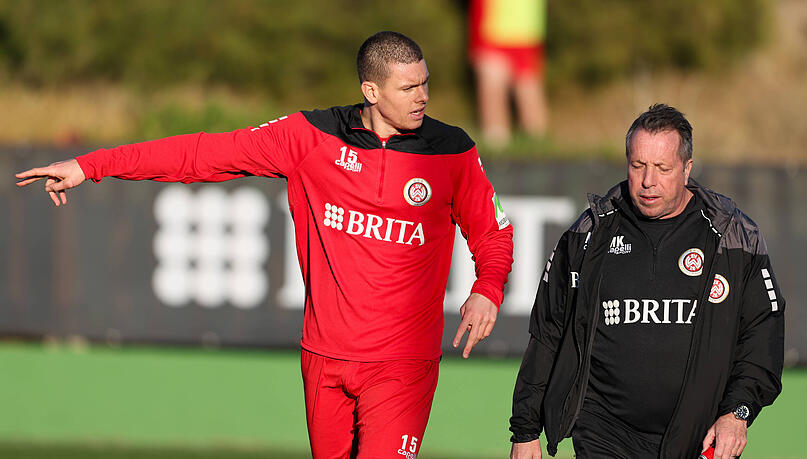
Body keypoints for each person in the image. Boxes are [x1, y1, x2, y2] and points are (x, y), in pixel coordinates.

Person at [16, 31, 514, 459]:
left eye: (425, 83)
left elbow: (493, 230)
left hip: (402, 363)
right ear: (371, 89)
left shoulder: (451, 150)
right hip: (324, 357)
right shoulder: (311, 137)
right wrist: (91, 165)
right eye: (408, 87)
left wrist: (487, 288)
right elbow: (202, 154)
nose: (422, 96)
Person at [508, 104, 784, 458]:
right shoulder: (589, 233)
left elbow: (762, 337)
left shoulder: (732, 236)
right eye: (637, 166)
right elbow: (548, 332)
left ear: (687, 169)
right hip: (602, 431)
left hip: (697, 437)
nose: (648, 181)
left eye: (662, 168)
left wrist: (738, 412)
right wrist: (525, 428)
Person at [468, 0, 548, 148]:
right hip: (503, 27)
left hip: (518, 28)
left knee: (525, 90)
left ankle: (536, 145)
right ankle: (499, 143)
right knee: (500, 85)